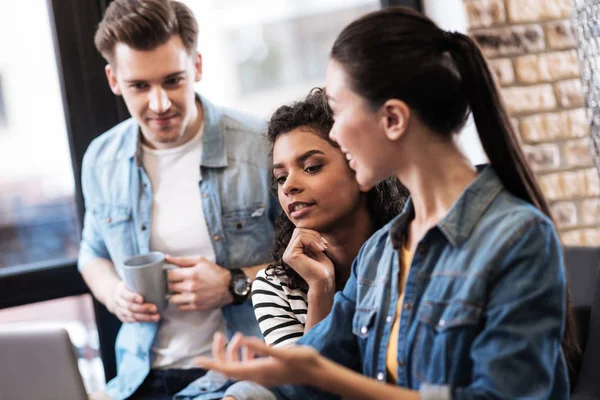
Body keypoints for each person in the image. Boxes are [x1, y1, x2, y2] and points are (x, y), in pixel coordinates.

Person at [197, 6, 582, 400]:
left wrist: (325, 375)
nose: (337, 133)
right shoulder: (382, 253)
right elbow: (309, 373)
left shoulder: (517, 239)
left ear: (393, 119)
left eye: (338, 111)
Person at [77, 1, 278, 399]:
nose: (160, 104)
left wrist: (236, 283)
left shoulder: (262, 147)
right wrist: (113, 293)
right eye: (139, 86)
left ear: (197, 66)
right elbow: (92, 253)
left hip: (242, 374)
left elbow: (316, 261)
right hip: (139, 377)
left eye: (173, 80)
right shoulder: (101, 160)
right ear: (113, 80)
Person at [251, 89, 407, 348]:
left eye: (311, 167)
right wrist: (320, 289)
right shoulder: (275, 286)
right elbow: (304, 387)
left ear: (361, 168)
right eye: (280, 177)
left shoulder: (413, 252)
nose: (289, 186)